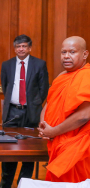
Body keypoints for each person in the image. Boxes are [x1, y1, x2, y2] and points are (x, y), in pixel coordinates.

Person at [38, 36, 90, 182]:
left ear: (85, 54)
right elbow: (48, 104)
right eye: (63, 52)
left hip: (75, 145)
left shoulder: (87, 75)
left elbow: (84, 115)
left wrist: (53, 131)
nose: (66, 56)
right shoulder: (61, 76)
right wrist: (44, 126)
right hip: (56, 140)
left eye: (72, 52)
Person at [0, 34, 49, 188]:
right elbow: (5, 86)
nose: (21, 49)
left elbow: (43, 89)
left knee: (30, 150)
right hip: (12, 112)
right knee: (8, 149)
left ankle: (24, 183)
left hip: (31, 112)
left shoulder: (40, 64)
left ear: (29, 48)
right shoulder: (6, 65)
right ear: (15, 48)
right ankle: (5, 184)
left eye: (24, 46)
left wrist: (34, 105)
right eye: (18, 46)